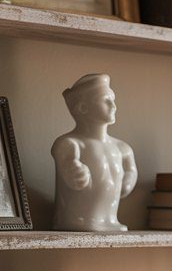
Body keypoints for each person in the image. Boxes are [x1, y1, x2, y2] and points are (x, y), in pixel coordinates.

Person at [52, 73, 138, 231]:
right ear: (83, 108)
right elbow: (69, 167)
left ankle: (109, 219)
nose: (113, 106)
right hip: (78, 222)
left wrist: (130, 177)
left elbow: (131, 170)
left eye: (113, 99)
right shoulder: (70, 144)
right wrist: (76, 172)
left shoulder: (122, 148)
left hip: (112, 223)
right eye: (106, 100)